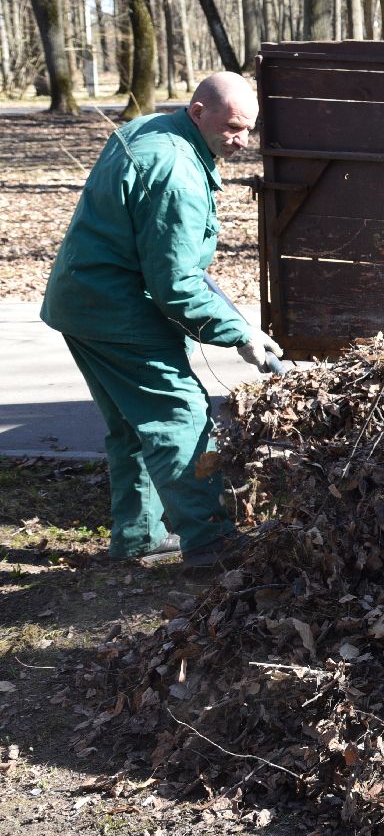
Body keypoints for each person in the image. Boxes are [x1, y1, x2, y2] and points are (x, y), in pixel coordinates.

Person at [41, 72, 282, 568]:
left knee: (132, 424)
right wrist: (239, 334)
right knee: (181, 417)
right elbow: (175, 283)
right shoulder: (177, 174)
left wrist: (236, 321)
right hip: (117, 311)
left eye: (248, 130)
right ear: (197, 112)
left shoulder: (152, 130)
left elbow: (170, 260)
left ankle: (139, 538)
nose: (241, 142)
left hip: (82, 299)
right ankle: (212, 545)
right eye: (232, 129)